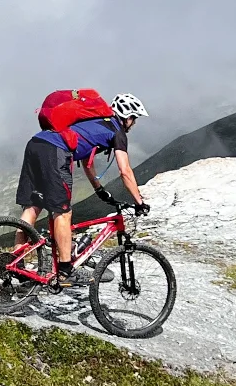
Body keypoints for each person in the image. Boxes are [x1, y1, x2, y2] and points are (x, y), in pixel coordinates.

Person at [13, 93, 150, 286]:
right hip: (55, 150)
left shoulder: (96, 121)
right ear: (126, 116)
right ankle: (65, 270)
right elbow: (125, 170)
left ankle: (14, 261)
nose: (133, 123)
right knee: (63, 212)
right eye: (134, 118)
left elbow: (87, 163)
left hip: (36, 144)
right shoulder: (117, 132)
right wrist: (140, 202)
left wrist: (99, 189)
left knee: (33, 206)